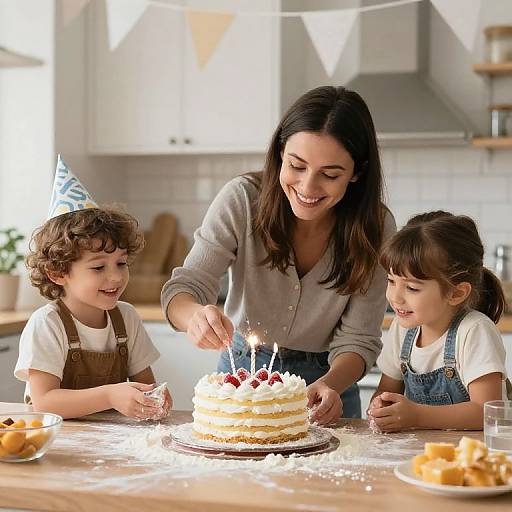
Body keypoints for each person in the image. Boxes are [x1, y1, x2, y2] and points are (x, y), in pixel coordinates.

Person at [162, 86, 395, 423]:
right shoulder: (242, 200)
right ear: (279, 154)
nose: (308, 187)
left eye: (330, 175)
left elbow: (359, 340)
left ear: (357, 173)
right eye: (296, 166)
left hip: (328, 383)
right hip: (242, 375)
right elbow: (184, 288)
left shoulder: (377, 226)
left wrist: (329, 384)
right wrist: (194, 316)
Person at [15, 156, 172, 420]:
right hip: (61, 443)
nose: (116, 277)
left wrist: (153, 397)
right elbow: (44, 402)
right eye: (99, 268)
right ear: (58, 272)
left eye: (121, 263)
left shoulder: (127, 318)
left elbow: (146, 384)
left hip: (113, 441)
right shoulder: (48, 323)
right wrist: (110, 395)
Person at [368, 211, 511, 432]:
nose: (395, 297)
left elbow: (486, 412)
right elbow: (387, 390)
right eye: (391, 280)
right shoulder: (403, 328)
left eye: (412, 288)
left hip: (475, 456)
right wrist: (381, 406)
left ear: (456, 293)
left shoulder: (474, 330)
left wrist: (416, 415)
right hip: (425, 455)